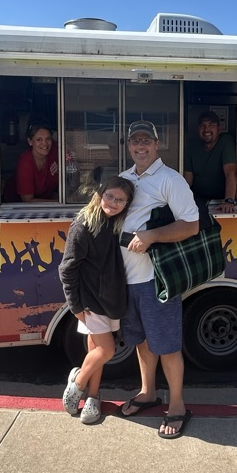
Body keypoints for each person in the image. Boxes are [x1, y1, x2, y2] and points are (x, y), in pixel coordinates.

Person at [119, 120, 199, 438]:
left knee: (166, 345)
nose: (140, 146)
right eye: (134, 141)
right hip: (128, 279)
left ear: (157, 144)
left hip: (157, 279)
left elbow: (191, 225)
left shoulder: (170, 179)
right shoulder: (123, 180)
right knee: (141, 340)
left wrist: (151, 235)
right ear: (128, 146)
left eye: (146, 141)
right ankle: (148, 392)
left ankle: (177, 406)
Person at [59, 176, 135, 424]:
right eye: (110, 196)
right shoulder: (82, 225)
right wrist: (76, 306)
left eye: (120, 200)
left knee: (95, 350)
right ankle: (77, 383)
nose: (113, 203)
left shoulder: (115, 223)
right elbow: (67, 269)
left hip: (111, 298)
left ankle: (93, 396)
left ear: (126, 204)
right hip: (90, 302)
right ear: (100, 194)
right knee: (107, 350)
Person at [184, 110, 237, 213]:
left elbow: (230, 172)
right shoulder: (191, 147)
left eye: (211, 125)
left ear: (219, 129)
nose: (206, 129)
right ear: (198, 129)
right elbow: (187, 180)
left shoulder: (226, 141)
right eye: (202, 126)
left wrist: (229, 201)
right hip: (198, 201)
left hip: (220, 201)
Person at [4, 122, 59, 202]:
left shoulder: (54, 151)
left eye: (48, 139)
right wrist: (58, 202)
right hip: (15, 207)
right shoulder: (25, 162)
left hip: (46, 202)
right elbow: (28, 200)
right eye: (39, 139)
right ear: (30, 141)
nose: (45, 143)